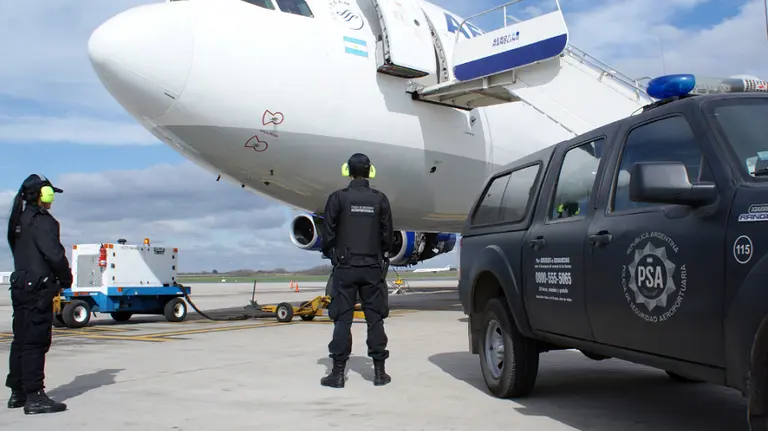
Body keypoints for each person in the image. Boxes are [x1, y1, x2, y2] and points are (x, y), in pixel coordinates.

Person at [320, 153, 394, 388]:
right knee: (375, 319)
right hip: (372, 267)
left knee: (343, 319)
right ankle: (380, 373)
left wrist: (332, 252)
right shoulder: (380, 199)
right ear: (370, 171)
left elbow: (328, 233)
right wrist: (381, 254)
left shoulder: (337, 199)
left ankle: (338, 373)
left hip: (346, 267)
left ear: (347, 171)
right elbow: (388, 235)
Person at [5, 174, 71, 415]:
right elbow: (54, 255)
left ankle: (17, 392)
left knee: (20, 340)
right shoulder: (43, 222)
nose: (52, 199)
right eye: (50, 194)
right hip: (38, 289)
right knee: (35, 342)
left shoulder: (18, 219)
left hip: (21, 285)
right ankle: (35, 397)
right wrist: (65, 279)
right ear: (42, 195)